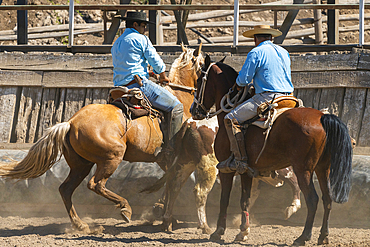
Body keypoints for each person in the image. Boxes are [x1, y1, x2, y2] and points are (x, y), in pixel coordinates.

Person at [221, 25, 294, 174]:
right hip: (289, 98)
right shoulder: (284, 52)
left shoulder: (256, 52)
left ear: (255, 39)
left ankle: (240, 161)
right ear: (271, 38)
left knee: (231, 119)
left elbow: (243, 80)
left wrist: (239, 86)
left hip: (268, 97)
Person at [111, 11, 183, 154]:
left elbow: (128, 65)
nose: (145, 29)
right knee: (177, 107)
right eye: (143, 25)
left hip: (120, 86)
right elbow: (155, 61)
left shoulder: (117, 42)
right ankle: (171, 149)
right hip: (138, 85)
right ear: (135, 24)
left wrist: (149, 73)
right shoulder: (140, 39)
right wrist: (162, 75)